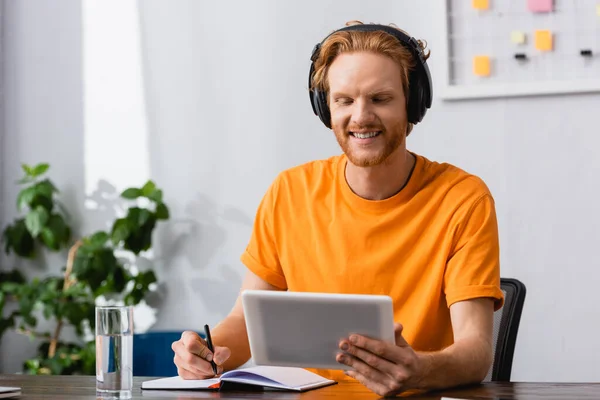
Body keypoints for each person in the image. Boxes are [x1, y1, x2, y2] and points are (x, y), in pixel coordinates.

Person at [172, 20, 504, 397]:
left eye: (380, 99)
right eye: (344, 100)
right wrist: (207, 353)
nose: (360, 117)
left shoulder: (462, 199)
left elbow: (476, 353)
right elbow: (245, 322)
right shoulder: (290, 192)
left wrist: (420, 370)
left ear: (412, 104)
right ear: (324, 107)